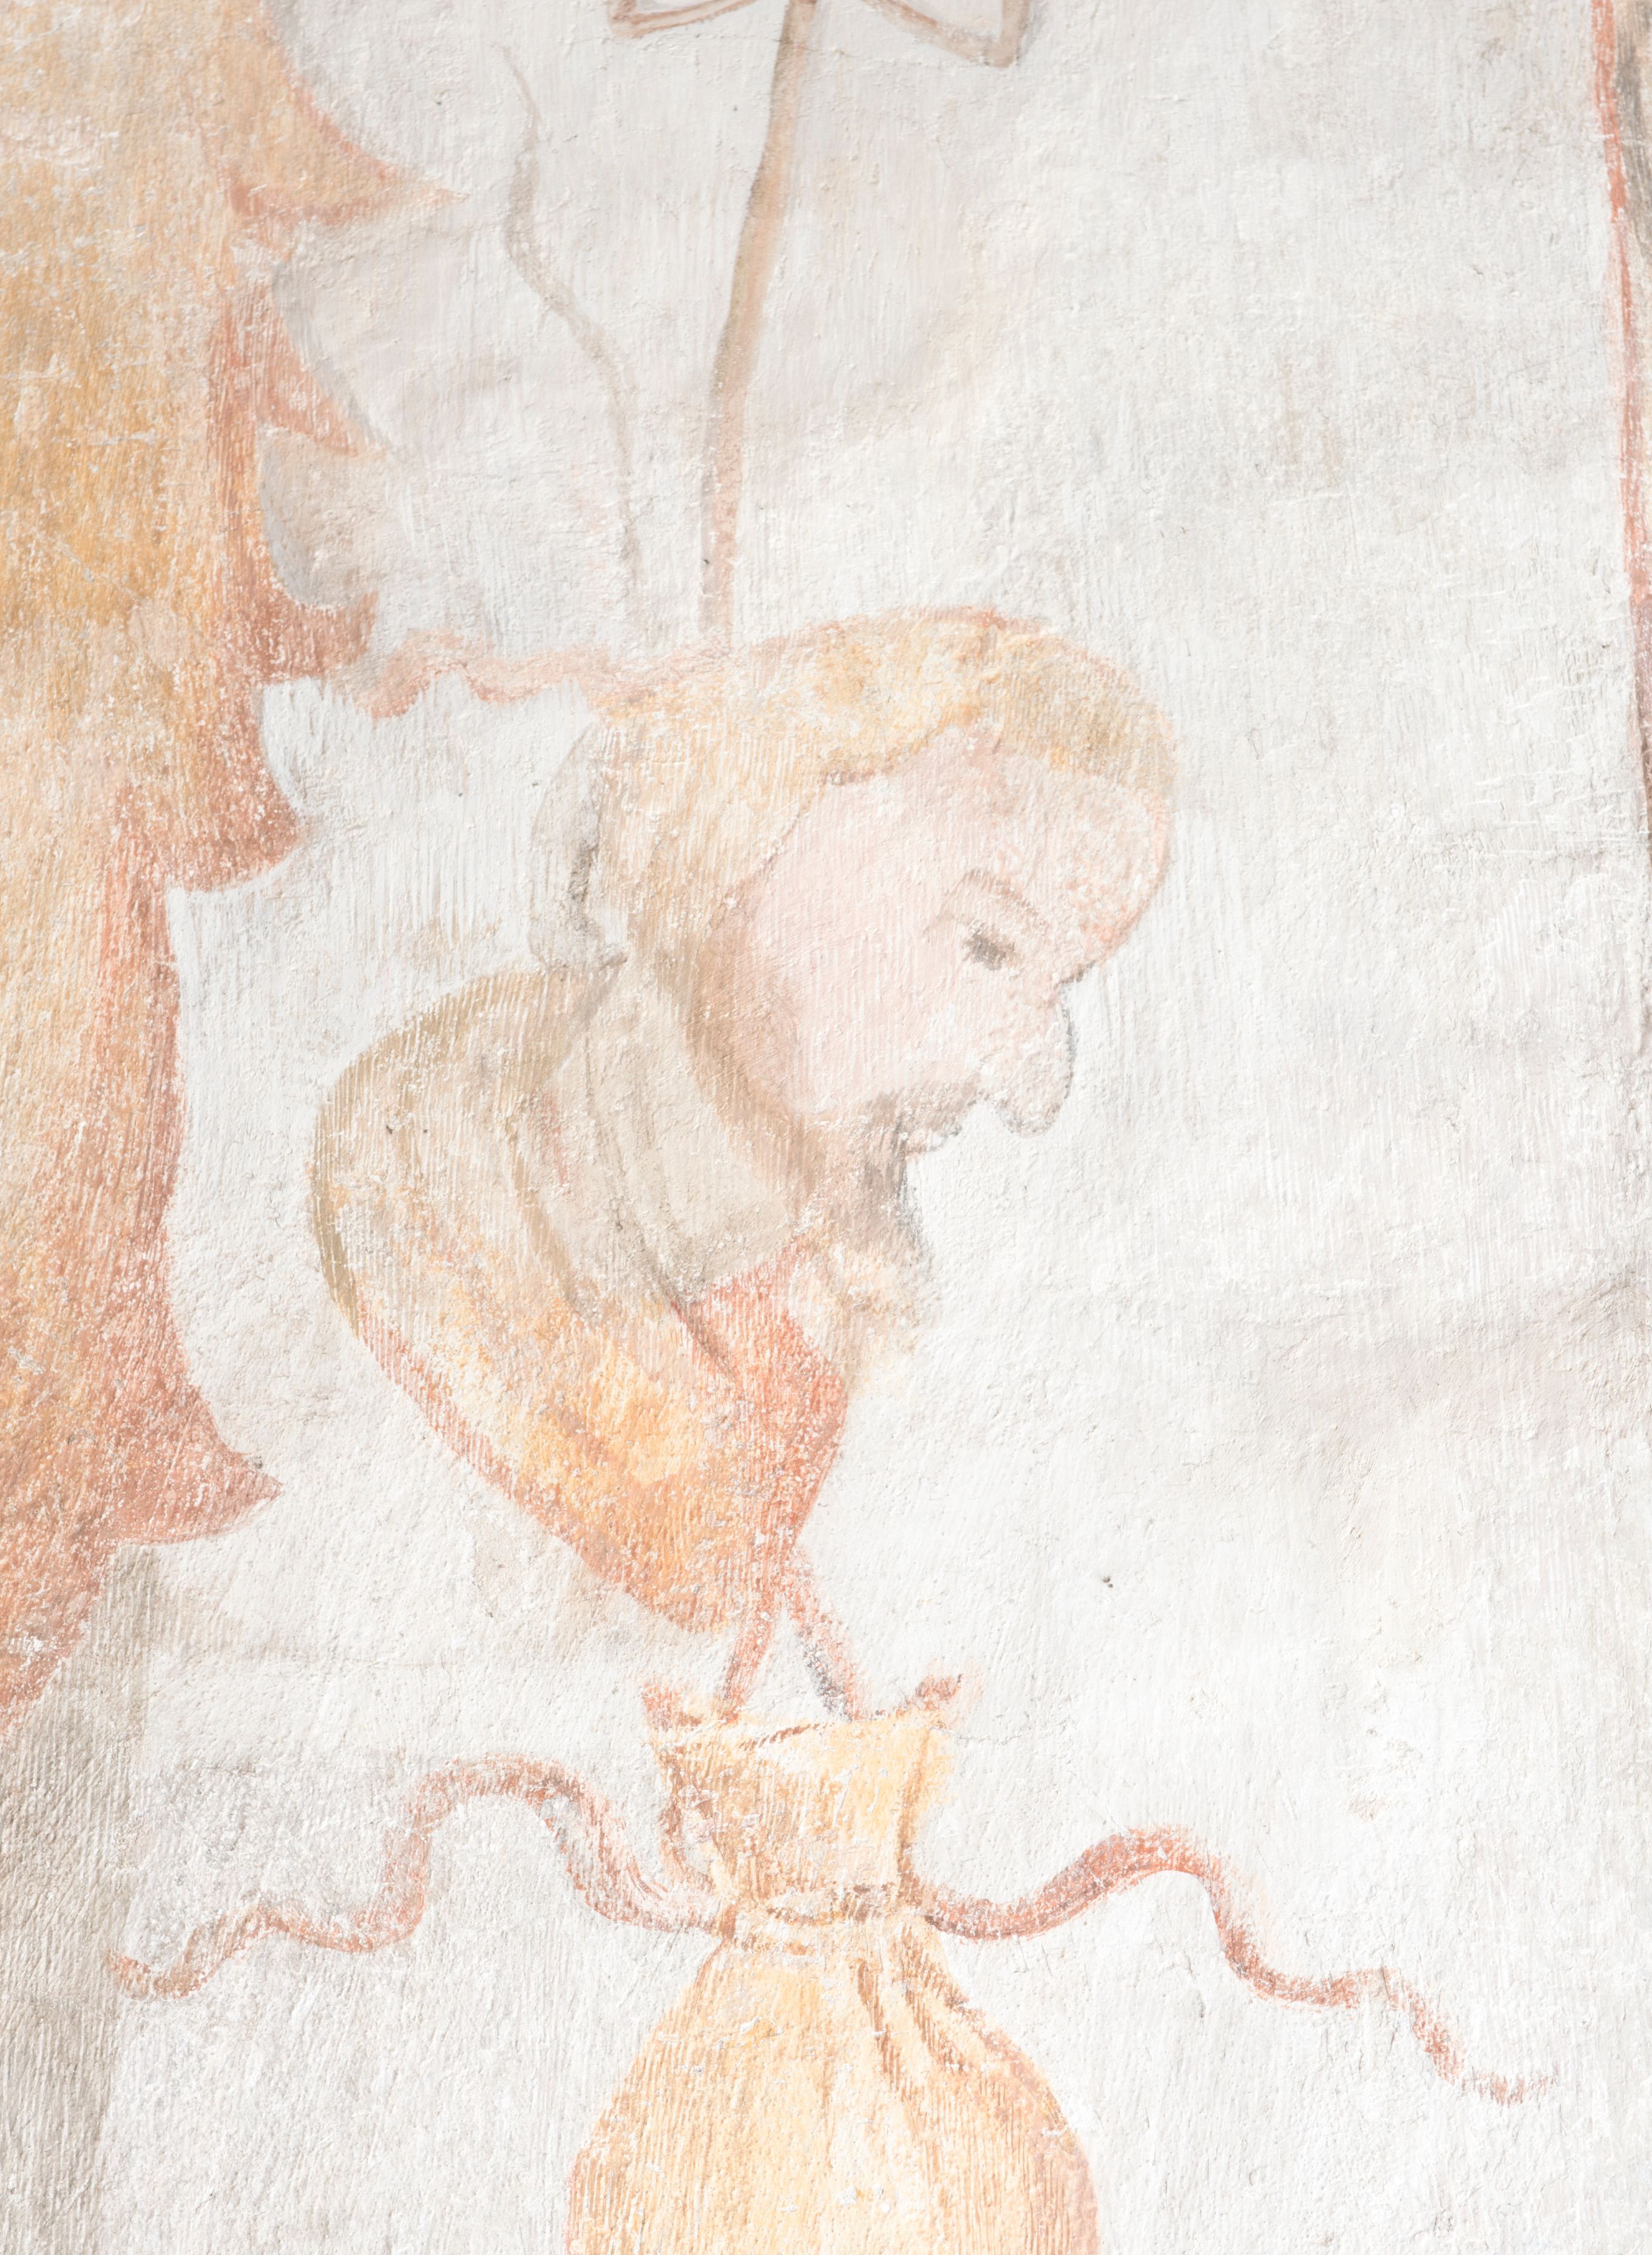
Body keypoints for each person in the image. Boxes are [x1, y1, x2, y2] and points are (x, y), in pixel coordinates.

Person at [311, 605, 1171, 1707]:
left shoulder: (809, 1346)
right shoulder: (426, 1178)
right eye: (987, 942)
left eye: (1055, 989)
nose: (1029, 1089)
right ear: (759, 816)